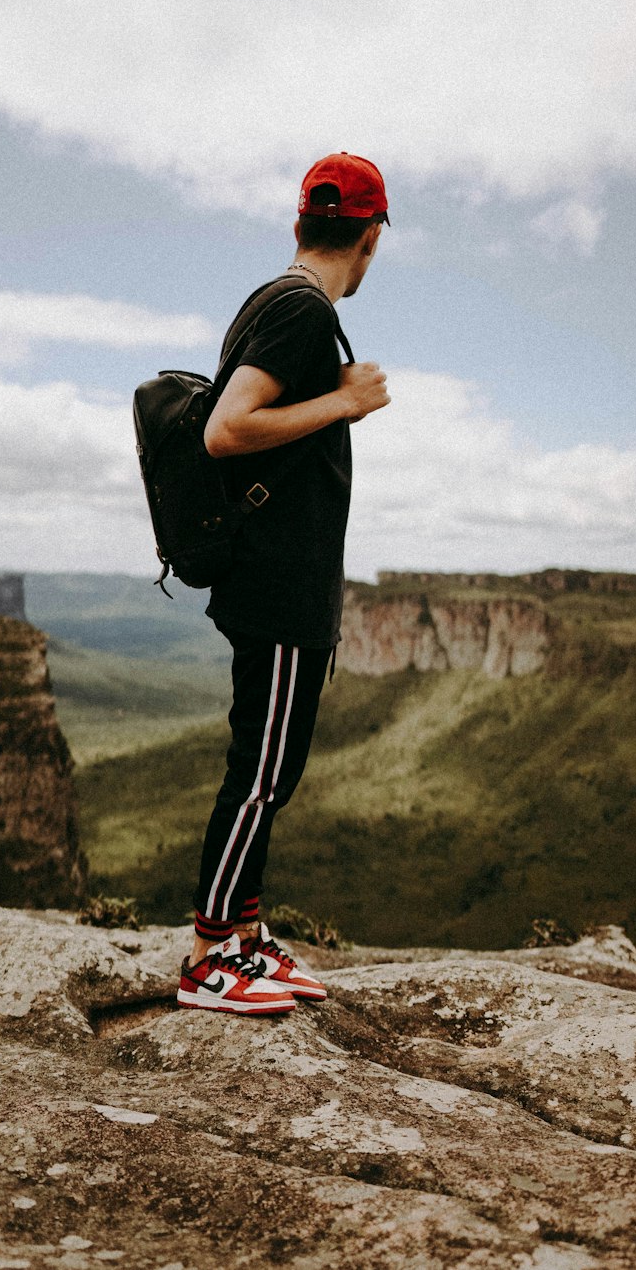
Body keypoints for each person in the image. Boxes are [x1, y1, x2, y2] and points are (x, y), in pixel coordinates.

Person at [177, 152, 391, 1014]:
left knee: (275, 768)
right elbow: (226, 432)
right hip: (278, 588)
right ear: (370, 239)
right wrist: (345, 402)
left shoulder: (281, 303)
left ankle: (247, 938)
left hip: (276, 583)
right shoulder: (301, 311)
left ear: (303, 224)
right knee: (259, 772)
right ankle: (207, 956)